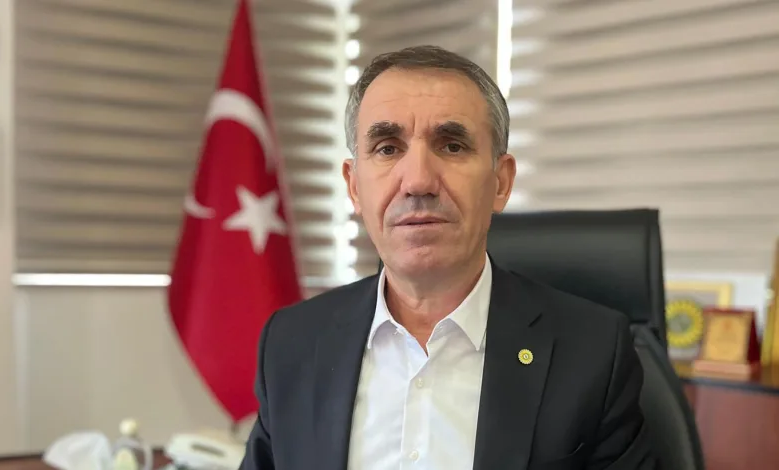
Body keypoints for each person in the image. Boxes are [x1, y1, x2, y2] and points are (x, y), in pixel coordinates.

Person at [239, 45, 657, 470]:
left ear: (500, 182)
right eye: (387, 148)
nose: (418, 181)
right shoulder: (291, 343)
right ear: (354, 187)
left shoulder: (592, 355)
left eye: (452, 146)